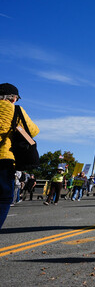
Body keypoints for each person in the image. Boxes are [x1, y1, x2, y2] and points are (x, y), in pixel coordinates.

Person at [0, 83, 39, 227]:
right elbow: (33, 131)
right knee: (3, 198)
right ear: (13, 98)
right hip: (4, 159)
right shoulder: (15, 110)